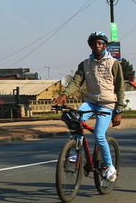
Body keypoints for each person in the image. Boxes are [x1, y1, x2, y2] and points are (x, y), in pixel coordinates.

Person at [53, 31, 124, 181]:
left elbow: (120, 88)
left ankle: (110, 166)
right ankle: (74, 153)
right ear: (90, 46)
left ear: (104, 45)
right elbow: (75, 82)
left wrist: (118, 111)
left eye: (100, 43)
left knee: (99, 135)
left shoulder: (114, 64)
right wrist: (65, 94)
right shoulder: (85, 64)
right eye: (94, 43)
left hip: (107, 105)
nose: (97, 46)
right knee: (74, 122)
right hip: (90, 102)